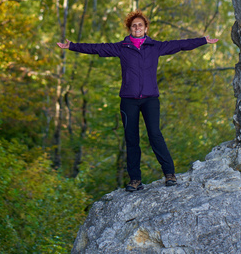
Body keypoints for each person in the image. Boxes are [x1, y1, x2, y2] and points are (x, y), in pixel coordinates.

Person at [57, 10, 218, 191]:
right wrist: (72, 46)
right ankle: (135, 180)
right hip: (128, 100)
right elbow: (97, 48)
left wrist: (202, 40)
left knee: (155, 135)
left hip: (150, 99)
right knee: (131, 139)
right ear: (129, 29)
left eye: (140, 25)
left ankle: (169, 174)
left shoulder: (155, 47)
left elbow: (179, 45)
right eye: (134, 25)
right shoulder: (122, 47)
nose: (137, 28)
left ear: (146, 28)